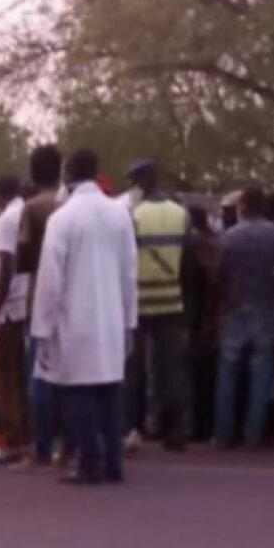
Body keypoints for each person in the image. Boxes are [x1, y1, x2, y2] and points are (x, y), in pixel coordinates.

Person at [32, 148, 137, 484]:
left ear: (67, 175)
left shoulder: (62, 219)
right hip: (110, 318)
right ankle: (113, 463)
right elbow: (129, 273)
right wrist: (129, 321)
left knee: (78, 394)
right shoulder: (119, 215)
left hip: (74, 321)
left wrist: (42, 328)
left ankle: (89, 463)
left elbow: (50, 281)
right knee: (108, 392)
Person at [213, 187, 274, 448]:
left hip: (234, 308)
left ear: (242, 206)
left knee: (228, 373)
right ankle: (253, 434)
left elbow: (219, 275)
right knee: (261, 375)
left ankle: (223, 434)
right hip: (265, 308)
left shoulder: (229, 237)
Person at [125, 158, 190, 452]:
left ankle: (133, 430)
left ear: (140, 183)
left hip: (138, 304)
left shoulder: (133, 214)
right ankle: (173, 432)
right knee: (170, 371)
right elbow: (187, 260)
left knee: (134, 371)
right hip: (171, 302)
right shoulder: (181, 214)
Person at [16, 144, 68, 468]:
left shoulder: (32, 208)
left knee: (38, 374)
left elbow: (22, 258)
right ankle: (69, 446)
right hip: (71, 297)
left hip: (39, 297)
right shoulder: (68, 204)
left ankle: (41, 447)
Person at [0, 175, 31, 465]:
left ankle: (13, 442)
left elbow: (6, 265)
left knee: (3, 379)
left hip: (8, 309)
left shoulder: (6, 220)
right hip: (27, 304)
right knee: (22, 378)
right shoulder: (28, 212)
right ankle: (26, 436)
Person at [184, 205, 220, 441]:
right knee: (204, 375)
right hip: (204, 318)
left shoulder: (196, 247)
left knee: (196, 375)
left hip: (197, 318)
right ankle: (203, 425)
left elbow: (209, 283)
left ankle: (198, 427)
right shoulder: (212, 243)